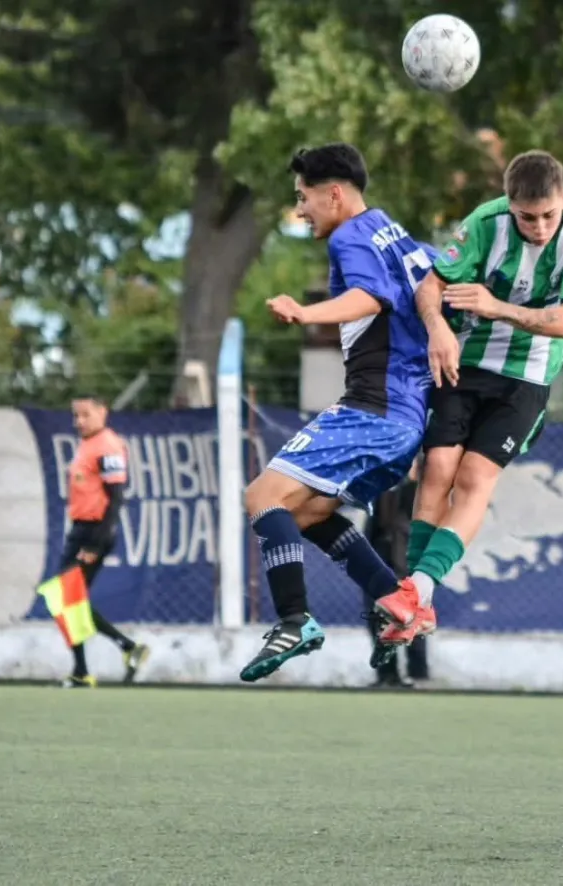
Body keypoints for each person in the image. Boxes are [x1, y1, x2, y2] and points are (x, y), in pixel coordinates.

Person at [372, 149, 563, 648]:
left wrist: (497, 307)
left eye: (548, 215)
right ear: (509, 203)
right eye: (527, 217)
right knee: (436, 470)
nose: (539, 227)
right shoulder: (484, 222)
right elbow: (432, 287)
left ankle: (417, 593)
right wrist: (437, 330)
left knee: (474, 477)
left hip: (528, 376)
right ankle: (418, 603)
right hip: (466, 363)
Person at [240, 142, 436, 683]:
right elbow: (440, 282)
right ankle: (399, 603)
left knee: (260, 497)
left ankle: (293, 619)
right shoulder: (395, 235)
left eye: (303, 198)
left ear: (333, 193)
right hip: (406, 425)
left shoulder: (351, 235)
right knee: (305, 514)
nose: (300, 210)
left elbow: (371, 298)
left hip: (372, 410)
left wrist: (305, 313)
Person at [61, 396, 149, 688]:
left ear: (102, 413)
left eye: (85, 414)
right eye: (76, 415)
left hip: (92, 533)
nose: (79, 421)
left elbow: (116, 498)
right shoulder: (88, 444)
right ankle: (122, 649)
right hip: (80, 530)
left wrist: (97, 543)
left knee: (67, 599)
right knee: (69, 600)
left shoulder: (108, 445)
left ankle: (85, 670)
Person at [364, 458, 429, 687]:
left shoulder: (419, 491)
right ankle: (386, 675)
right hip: (379, 560)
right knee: (378, 618)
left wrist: (412, 477)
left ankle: (417, 674)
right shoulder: (380, 486)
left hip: (407, 562)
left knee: (413, 619)